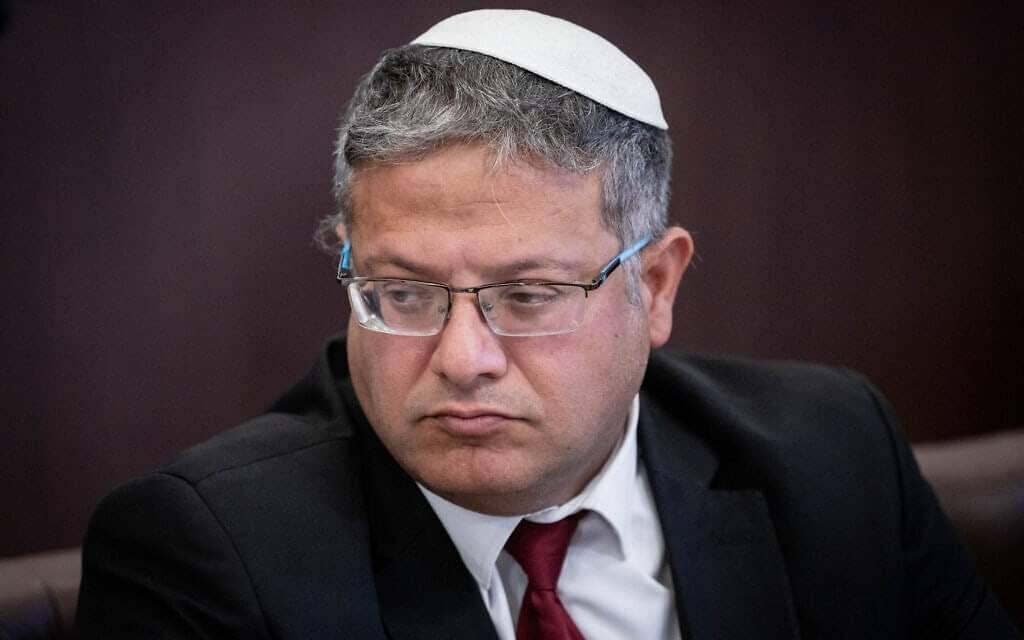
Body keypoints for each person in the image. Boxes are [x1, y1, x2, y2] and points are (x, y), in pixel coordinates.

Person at [76, 9, 1018, 639]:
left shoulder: (831, 453)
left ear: (655, 284)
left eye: (527, 295)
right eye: (403, 292)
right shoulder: (204, 551)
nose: (462, 359)